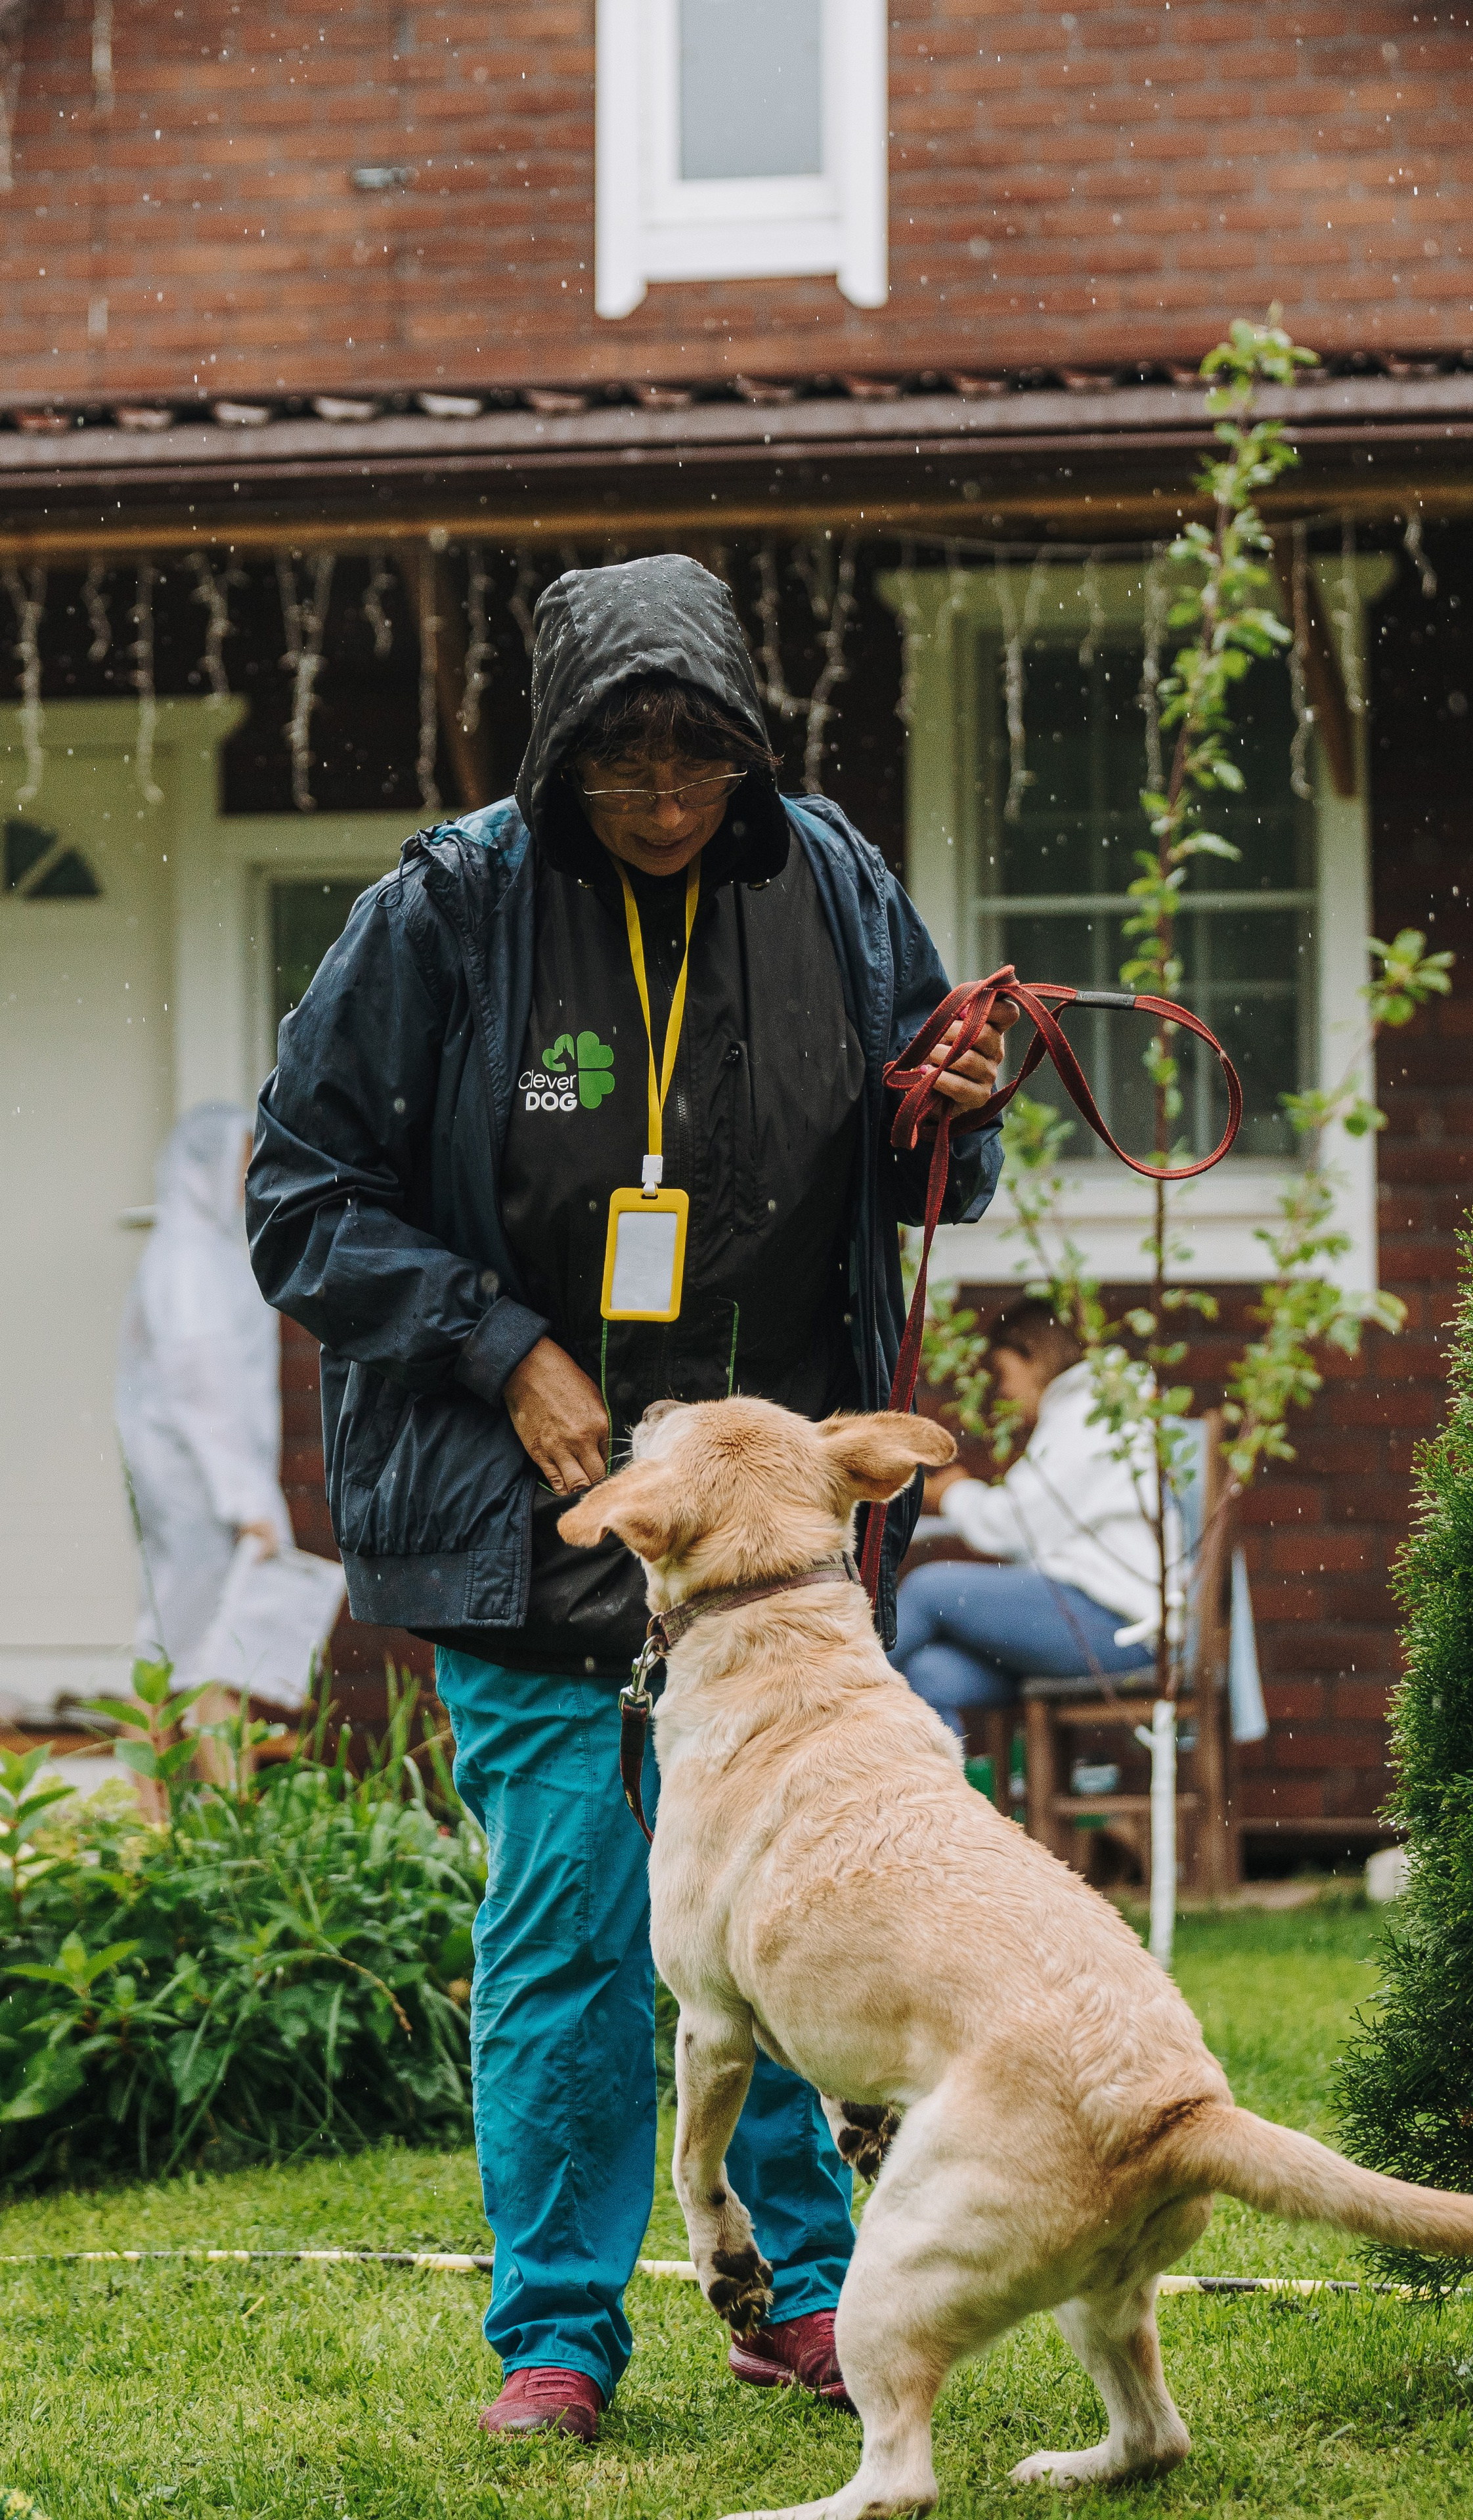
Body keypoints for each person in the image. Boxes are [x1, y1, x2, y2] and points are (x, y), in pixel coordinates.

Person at [246, 554, 1015, 2442]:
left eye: (696, 766)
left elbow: (941, 1165)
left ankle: (805, 2296)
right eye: (623, 770)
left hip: (756, 1534)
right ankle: (562, 2330)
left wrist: (962, 1106)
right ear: (557, 762)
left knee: (788, 1910)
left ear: (748, 754)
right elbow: (300, 1193)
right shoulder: (448, 909)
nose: (665, 805)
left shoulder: (830, 878)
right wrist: (500, 1338)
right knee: (578, 1915)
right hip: (529, 1501)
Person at [890, 1298, 1161, 1737]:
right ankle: (944, 1805)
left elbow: (1012, 1525)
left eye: (1004, 1373)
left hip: (1117, 1627)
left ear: (1033, 1358)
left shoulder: (1090, 1415)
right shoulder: (1085, 1413)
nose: (1004, 1392)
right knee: (929, 1673)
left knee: (927, 1588)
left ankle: (819, 1713)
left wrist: (953, 1493)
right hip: (1088, 1625)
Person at [116, 1101, 291, 1682]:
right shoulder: (190, 1260)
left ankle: (172, 1774)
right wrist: (247, 1500)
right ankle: (155, 1773)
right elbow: (204, 1388)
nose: (248, 1179)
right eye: (240, 1163)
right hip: (196, 1484)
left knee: (189, 1641)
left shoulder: (208, 1252)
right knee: (190, 1646)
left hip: (197, 1484)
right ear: (202, 1168)